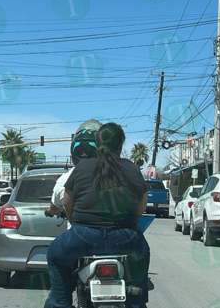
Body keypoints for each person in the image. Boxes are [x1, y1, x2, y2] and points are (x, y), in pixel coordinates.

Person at [44, 122, 149, 308]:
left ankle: (60, 303)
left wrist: (73, 219)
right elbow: (141, 209)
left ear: (97, 142)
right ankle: (137, 303)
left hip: (83, 236)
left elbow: (67, 201)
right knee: (142, 254)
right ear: (121, 144)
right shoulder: (132, 168)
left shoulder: (82, 168)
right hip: (126, 237)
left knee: (53, 254)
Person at [45, 119, 102, 219]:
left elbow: (54, 208)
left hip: (79, 232)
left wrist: (51, 211)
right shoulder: (118, 175)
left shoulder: (65, 179)